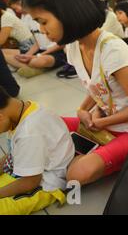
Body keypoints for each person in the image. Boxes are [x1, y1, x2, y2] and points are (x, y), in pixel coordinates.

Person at [22, 0, 128, 186]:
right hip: (105, 122)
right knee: (39, 122)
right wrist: (83, 110)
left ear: (65, 13)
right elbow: (96, 86)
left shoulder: (113, 50)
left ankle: (92, 153)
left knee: (77, 174)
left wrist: (100, 121)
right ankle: (85, 151)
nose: (41, 29)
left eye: (43, 21)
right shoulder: (74, 46)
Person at [0, 86, 74, 215]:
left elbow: (30, 182)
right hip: (25, 170)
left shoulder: (29, 133)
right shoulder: (25, 108)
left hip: (46, 182)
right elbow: (13, 153)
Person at [3, 0, 67, 78]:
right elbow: (38, 42)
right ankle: (34, 67)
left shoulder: (46, 14)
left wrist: (39, 55)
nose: (17, 9)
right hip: (40, 50)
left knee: (38, 61)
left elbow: (62, 43)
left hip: (56, 51)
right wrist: (27, 55)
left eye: (18, 4)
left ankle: (34, 66)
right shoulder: (25, 17)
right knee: (3, 53)